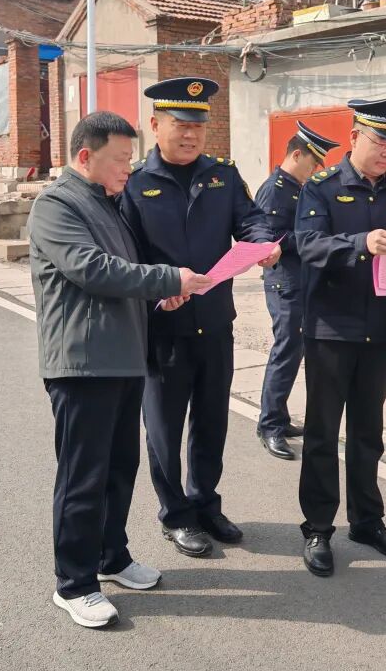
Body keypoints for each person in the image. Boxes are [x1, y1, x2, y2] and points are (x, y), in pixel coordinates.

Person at [29, 111, 212, 629]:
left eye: (130, 160)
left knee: (118, 469)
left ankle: (112, 556)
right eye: (120, 160)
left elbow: (125, 281)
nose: (128, 170)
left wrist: (160, 298)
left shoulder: (107, 204)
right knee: (82, 476)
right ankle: (74, 583)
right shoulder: (57, 205)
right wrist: (168, 278)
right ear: (86, 156)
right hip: (83, 363)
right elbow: (91, 270)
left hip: (124, 358)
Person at [120, 77, 280, 558]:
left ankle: (206, 503)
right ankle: (175, 514)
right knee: (164, 429)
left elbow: (251, 219)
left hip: (215, 321)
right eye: (179, 125)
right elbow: (126, 255)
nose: (190, 134)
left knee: (212, 421)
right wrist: (158, 294)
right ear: (155, 126)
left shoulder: (223, 176)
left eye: (198, 126)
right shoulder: (134, 183)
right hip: (164, 326)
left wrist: (262, 242)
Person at [295, 97, 386, 578]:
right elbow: (308, 246)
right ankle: (319, 527)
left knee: (368, 432)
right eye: (380, 140)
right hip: (331, 328)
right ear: (355, 136)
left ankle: (366, 521)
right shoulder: (321, 187)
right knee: (322, 433)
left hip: (378, 330)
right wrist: (361, 243)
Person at [253, 122, 340, 460]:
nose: (315, 170)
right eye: (313, 163)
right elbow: (268, 236)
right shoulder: (275, 189)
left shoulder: (297, 188)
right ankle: (270, 426)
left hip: (301, 279)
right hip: (285, 282)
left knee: (295, 350)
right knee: (286, 351)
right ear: (296, 155)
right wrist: (311, 239)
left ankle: (280, 416)